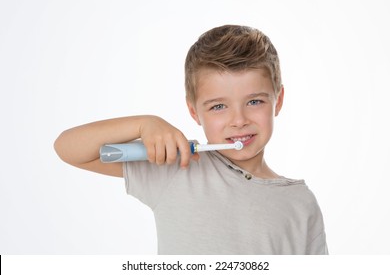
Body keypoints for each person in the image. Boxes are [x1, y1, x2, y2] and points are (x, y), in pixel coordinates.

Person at [54, 25, 328, 254]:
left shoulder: (300, 203)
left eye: (254, 101)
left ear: (277, 101)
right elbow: (69, 148)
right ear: (193, 111)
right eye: (218, 106)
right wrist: (144, 124)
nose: (239, 119)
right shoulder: (177, 166)